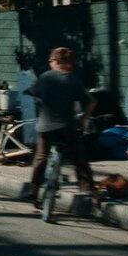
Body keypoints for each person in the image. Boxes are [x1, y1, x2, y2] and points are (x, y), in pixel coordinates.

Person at [23, 47, 99, 209]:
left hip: (45, 128)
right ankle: (89, 192)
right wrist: (84, 118)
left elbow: (33, 91)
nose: (50, 64)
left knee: (41, 157)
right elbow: (92, 101)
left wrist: (30, 92)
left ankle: (34, 190)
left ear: (56, 61)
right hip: (68, 127)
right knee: (80, 159)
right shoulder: (74, 80)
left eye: (50, 61)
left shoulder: (45, 77)